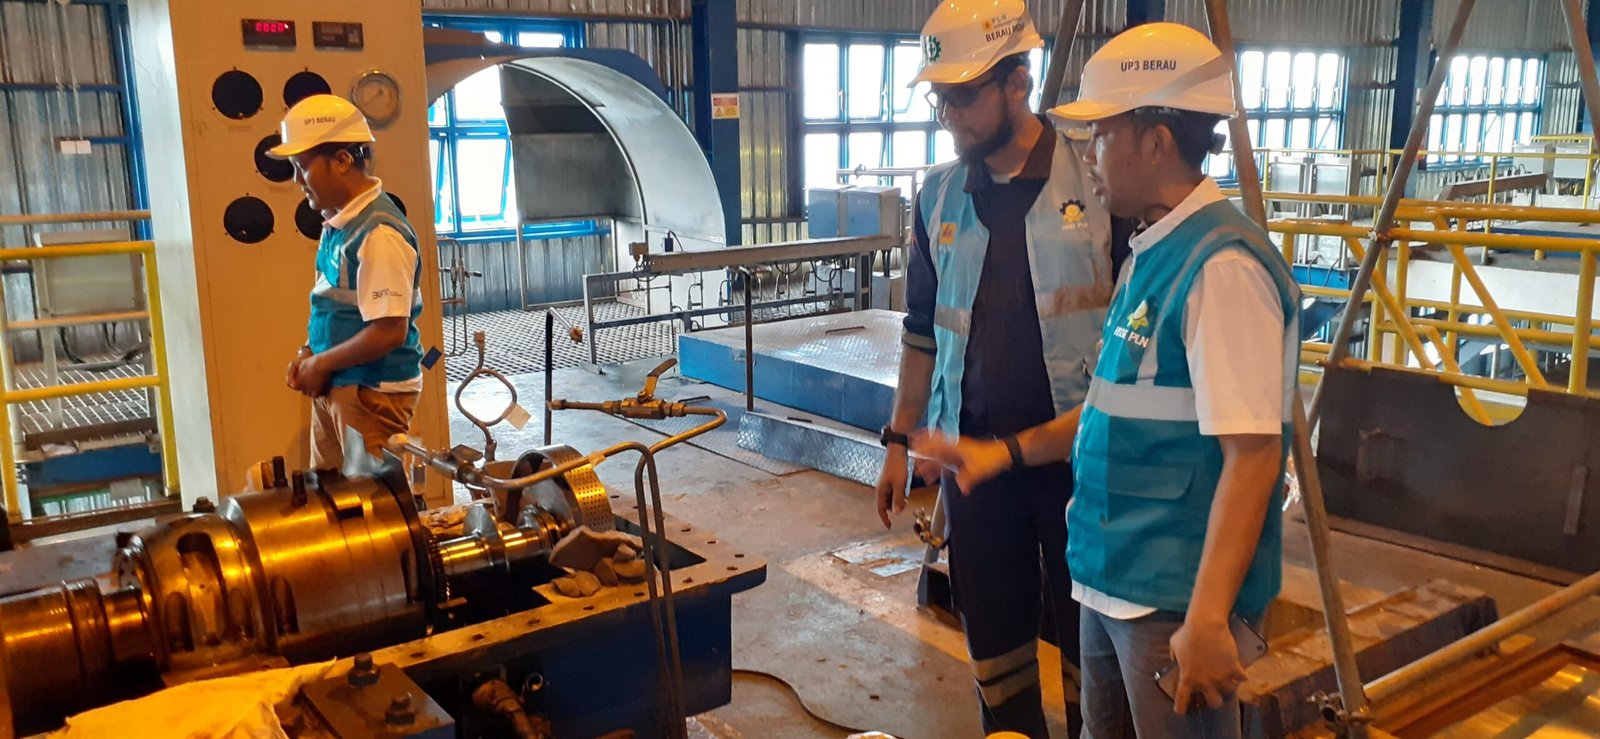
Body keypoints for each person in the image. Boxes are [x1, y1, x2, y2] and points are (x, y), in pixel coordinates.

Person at [914, 22, 1302, 739]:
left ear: (1155, 143)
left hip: (1169, 599)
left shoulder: (1221, 269)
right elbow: (1103, 410)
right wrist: (1000, 454)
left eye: (1101, 135)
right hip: (1112, 578)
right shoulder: (1151, 256)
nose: (1087, 155)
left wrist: (1208, 616)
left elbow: (1253, 456)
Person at [873, 1, 1130, 734]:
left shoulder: (1097, 181)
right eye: (939, 98)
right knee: (997, 660)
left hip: (1081, 463)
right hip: (975, 469)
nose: (947, 116)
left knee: (1093, 664)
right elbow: (922, 333)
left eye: (961, 96)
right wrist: (898, 440)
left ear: (1018, 82)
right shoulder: (938, 196)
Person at [269, 94, 425, 472]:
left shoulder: (379, 233)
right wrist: (310, 352)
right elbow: (331, 304)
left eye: (302, 167)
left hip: (371, 393)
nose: (296, 181)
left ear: (341, 160)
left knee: (373, 504)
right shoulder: (338, 223)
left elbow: (389, 331)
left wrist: (322, 363)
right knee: (331, 499)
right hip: (340, 383)